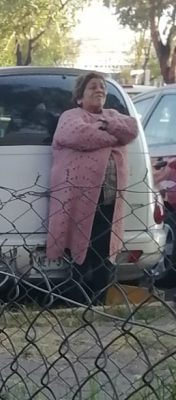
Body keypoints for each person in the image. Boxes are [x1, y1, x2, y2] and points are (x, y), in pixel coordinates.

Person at [46, 72, 138, 304]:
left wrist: (106, 123)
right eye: (93, 87)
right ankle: (79, 302)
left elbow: (131, 129)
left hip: (109, 198)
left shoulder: (112, 115)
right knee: (81, 250)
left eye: (103, 87)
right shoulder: (71, 116)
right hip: (81, 201)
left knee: (105, 250)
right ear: (80, 97)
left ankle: (100, 300)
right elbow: (79, 135)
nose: (100, 90)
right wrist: (113, 135)